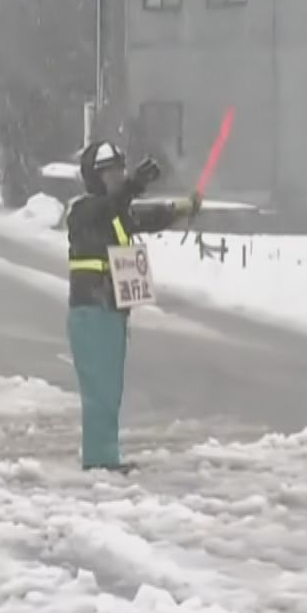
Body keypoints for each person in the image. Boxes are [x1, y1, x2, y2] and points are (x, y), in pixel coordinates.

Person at [65, 140, 200, 472]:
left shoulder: (115, 216)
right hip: (91, 311)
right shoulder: (84, 211)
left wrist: (181, 208)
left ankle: (106, 456)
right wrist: (134, 185)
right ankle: (99, 460)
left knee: (110, 390)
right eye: (110, 173)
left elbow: (145, 217)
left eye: (119, 172)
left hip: (111, 310)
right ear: (94, 178)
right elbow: (111, 206)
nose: (117, 178)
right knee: (99, 391)